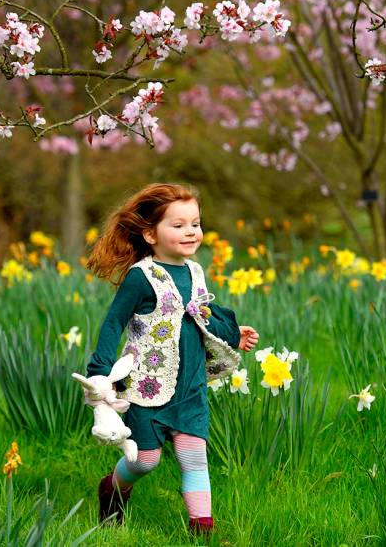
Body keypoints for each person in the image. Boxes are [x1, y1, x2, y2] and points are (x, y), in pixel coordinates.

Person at [84, 182, 259, 535]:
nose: (190, 231)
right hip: (146, 386)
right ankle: (113, 488)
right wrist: (100, 374)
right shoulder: (140, 278)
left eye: (195, 223)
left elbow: (200, 313)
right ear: (150, 234)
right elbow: (113, 323)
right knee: (145, 460)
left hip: (190, 386)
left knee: (195, 457)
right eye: (177, 225)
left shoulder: (195, 270)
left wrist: (232, 333)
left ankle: (202, 529)